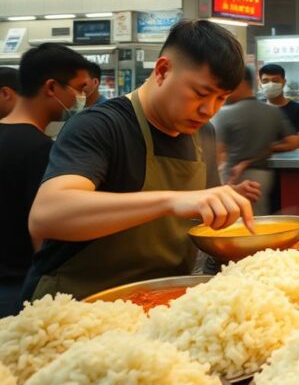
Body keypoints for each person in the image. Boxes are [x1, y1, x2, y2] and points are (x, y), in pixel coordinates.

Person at [25, 21, 259, 300]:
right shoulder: (100, 125)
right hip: (79, 307)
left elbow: (203, 222)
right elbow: (47, 215)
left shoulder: (203, 134)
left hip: (161, 305)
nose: (208, 110)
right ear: (162, 70)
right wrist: (170, 201)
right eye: (200, 93)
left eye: (221, 98)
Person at [0, 44, 91, 315]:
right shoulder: (41, 151)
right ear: (51, 87)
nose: (81, 98)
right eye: (78, 88)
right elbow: (45, 229)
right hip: (19, 288)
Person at [212, 67, 299, 215]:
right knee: (258, 219)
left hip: (234, 176)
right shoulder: (272, 111)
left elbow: (218, 154)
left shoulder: (225, 113)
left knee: (236, 220)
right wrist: (270, 148)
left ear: (241, 83)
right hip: (264, 176)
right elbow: (294, 141)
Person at [259, 64, 299, 149]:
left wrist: (267, 148)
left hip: (290, 160)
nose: (270, 84)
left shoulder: (298, 109)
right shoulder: (256, 109)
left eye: (275, 81)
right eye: (265, 81)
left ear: (284, 82)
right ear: (260, 83)